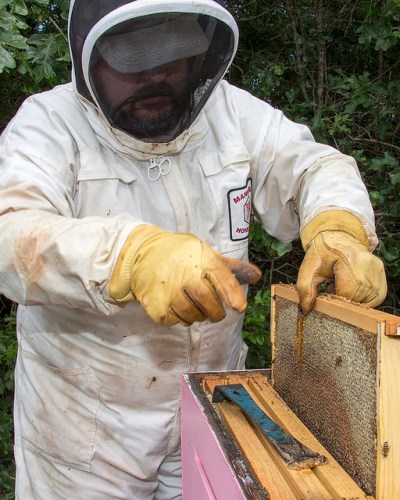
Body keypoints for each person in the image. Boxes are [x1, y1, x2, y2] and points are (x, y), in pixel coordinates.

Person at [0, 0, 387, 498]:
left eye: (173, 56)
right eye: (132, 61)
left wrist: (338, 227)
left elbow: (312, 165)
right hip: (88, 433)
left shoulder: (231, 113)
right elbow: (11, 230)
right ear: (88, 57)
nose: (155, 77)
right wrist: (128, 256)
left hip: (214, 402)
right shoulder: (50, 124)